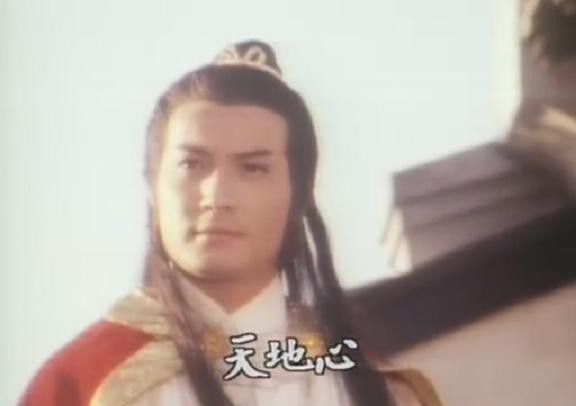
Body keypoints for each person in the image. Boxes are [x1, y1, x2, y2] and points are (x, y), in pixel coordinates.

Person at [19, 40, 442, 406]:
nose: (218, 197)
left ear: (298, 194)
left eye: (253, 168)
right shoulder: (82, 383)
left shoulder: (372, 387)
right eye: (193, 165)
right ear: (151, 185)